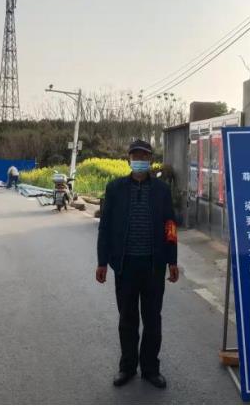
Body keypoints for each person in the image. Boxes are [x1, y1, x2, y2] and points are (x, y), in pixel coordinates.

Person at [96, 139, 179, 389]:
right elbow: (105, 227)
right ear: (128, 160)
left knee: (153, 320)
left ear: (150, 160)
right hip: (125, 266)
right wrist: (102, 262)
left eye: (144, 156)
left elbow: (170, 226)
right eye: (135, 156)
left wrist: (172, 260)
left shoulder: (162, 190)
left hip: (154, 266)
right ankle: (127, 367)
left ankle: (151, 369)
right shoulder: (115, 189)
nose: (139, 160)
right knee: (127, 319)